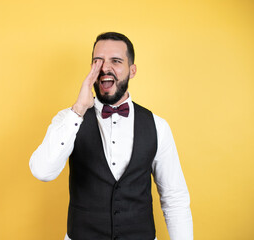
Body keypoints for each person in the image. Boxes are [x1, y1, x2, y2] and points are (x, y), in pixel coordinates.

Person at [30, 32, 193, 240]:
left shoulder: (158, 126)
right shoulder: (68, 119)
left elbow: (174, 199)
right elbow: (42, 171)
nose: (105, 68)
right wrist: (79, 109)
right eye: (98, 61)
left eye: (116, 61)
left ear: (132, 71)